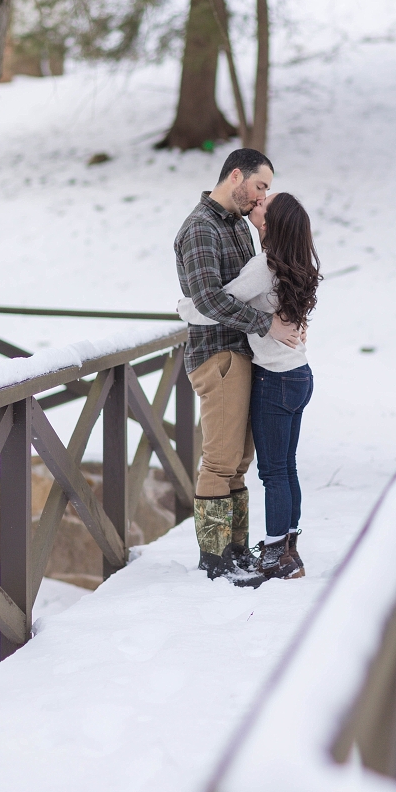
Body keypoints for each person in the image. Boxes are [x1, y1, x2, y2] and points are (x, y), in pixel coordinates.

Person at [174, 149, 301, 586]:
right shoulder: (201, 228)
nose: (262, 196)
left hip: (243, 354)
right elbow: (209, 300)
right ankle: (215, 560)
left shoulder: (237, 226)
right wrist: (268, 325)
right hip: (218, 354)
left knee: (240, 461)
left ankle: (236, 550)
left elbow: (253, 287)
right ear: (235, 176)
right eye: (260, 186)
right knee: (220, 461)